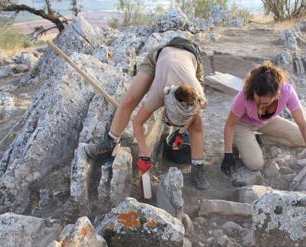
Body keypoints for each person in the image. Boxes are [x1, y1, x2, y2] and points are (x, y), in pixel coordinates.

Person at [82, 37, 210, 190]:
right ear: (164, 103)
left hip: (191, 57)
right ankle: (109, 142)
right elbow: (137, 122)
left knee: (196, 125)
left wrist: (181, 133)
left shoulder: (198, 97)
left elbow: (193, 115)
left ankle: (198, 168)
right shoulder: (158, 94)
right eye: (169, 121)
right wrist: (145, 154)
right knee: (129, 101)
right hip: (161, 56)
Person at [220, 61, 306, 175]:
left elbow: (303, 125)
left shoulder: (287, 92)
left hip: (267, 121)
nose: (260, 105)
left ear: (276, 95)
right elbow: (229, 125)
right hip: (243, 125)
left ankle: (258, 140)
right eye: (257, 100)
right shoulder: (244, 96)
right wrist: (228, 154)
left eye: (265, 102)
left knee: (300, 138)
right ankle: (240, 142)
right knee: (255, 164)